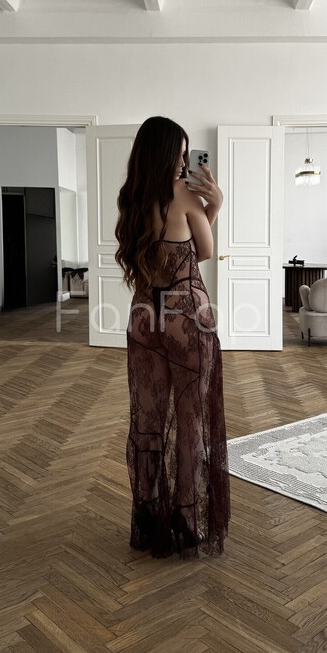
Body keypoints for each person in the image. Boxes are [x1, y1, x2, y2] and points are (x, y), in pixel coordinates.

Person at [115, 116, 230, 558]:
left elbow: (157, 257)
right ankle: (184, 514)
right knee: (191, 417)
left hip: (145, 317)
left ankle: (148, 512)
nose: (184, 163)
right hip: (187, 317)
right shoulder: (185, 194)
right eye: (179, 155)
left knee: (147, 419)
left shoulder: (131, 198)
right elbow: (204, 250)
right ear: (164, 155)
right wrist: (214, 205)